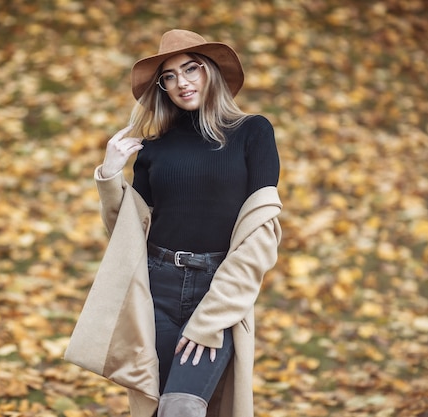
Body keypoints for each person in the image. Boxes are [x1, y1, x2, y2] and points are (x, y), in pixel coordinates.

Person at [65, 29, 282, 417]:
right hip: (156, 290)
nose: (181, 82)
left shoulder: (253, 132)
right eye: (169, 76)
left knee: (181, 407)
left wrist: (212, 316)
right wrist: (110, 175)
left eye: (191, 69)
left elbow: (260, 236)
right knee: (157, 408)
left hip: (218, 289)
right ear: (161, 87)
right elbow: (128, 234)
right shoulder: (153, 149)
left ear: (210, 72)